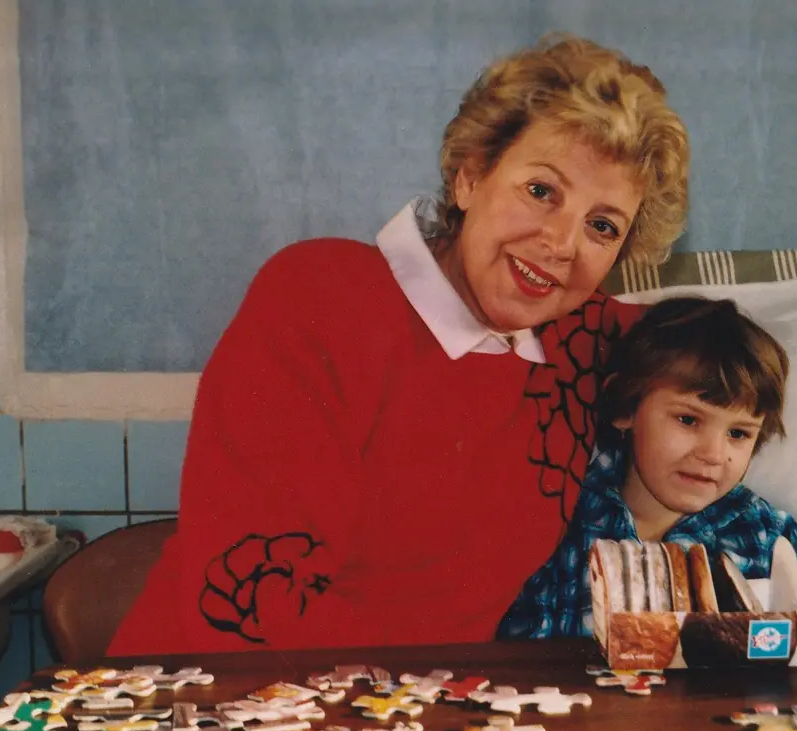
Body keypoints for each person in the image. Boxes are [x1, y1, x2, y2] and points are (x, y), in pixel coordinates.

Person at [105, 35, 689, 654]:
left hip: (426, 718)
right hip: (211, 702)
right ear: (470, 178)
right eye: (541, 191)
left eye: (602, 227)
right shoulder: (319, 299)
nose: (562, 242)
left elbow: (726, 352)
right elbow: (252, 597)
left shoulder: (581, 338)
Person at [497, 297, 797, 638]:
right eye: (688, 420)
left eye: (738, 434)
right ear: (624, 408)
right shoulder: (568, 511)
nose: (713, 454)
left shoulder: (762, 534)